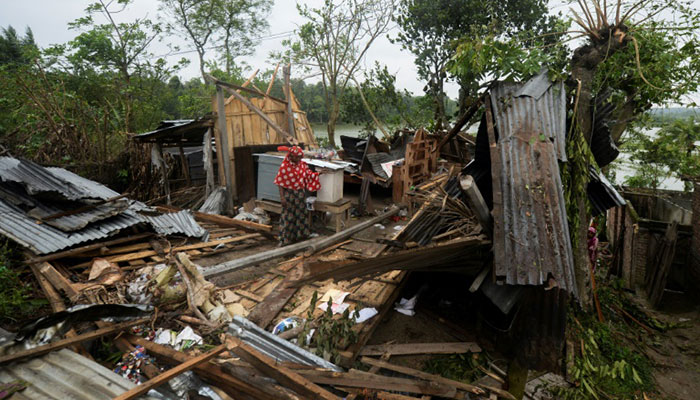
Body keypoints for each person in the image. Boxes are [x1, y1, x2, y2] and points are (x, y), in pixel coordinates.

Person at [274, 146, 321, 246]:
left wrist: (318, 174)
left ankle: (301, 235)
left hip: (300, 193)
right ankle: (285, 239)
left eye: (300, 157)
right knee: (288, 217)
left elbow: (308, 175)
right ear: (291, 156)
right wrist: (282, 197)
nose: (299, 159)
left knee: (301, 215)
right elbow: (280, 183)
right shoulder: (285, 166)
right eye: (297, 157)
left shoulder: (302, 165)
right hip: (289, 194)